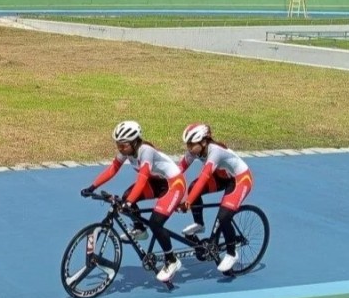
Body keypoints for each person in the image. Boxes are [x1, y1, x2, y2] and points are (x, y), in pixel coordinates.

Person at [80, 120, 187, 284]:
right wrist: (92, 186)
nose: (120, 149)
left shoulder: (146, 151)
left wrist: (129, 203)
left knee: (156, 222)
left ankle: (172, 260)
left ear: (135, 141)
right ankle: (140, 229)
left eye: (123, 145)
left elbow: (142, 180)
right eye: (118, 145)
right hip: (157, 182)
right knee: (124, 198)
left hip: (174, 184)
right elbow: (113, 169)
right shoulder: (127, 150)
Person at [177, 123, 254, 274]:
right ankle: (199, 224)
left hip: (240, 179)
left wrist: (188, 202)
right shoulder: (195, 151)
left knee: (224, 216)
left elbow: (204, 178)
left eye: (191, 144)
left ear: (204, 142)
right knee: (192, 188)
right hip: (222, 176)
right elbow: (178, 170)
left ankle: (232, 253)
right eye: (187, 144)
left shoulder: (215, 152)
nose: (189, 148)